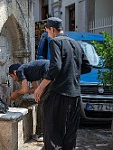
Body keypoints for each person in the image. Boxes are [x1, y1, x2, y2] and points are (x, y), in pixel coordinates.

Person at [34, 17, 92, 150]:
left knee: (53, 133)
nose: (47, 34)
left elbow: (56, 67)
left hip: (59, 94)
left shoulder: (55, 42)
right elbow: (87, 66)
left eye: (47, 31)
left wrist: (40, 88)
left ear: (52, 30)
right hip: (75, 96)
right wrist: (71, 73)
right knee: (70, 136)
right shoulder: (76, 44)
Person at [9, 59, 50, 142]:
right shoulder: (29, 72)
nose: (13, 79)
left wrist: (16, 94)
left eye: (12, 76)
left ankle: (40, 134)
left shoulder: (20, 71)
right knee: (46, 102)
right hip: (51, 70)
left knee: (41, 103)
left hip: (49, 72)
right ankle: (47, 132)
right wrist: (24, 91)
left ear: (14, 72)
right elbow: (35, 88)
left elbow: (24, 90)